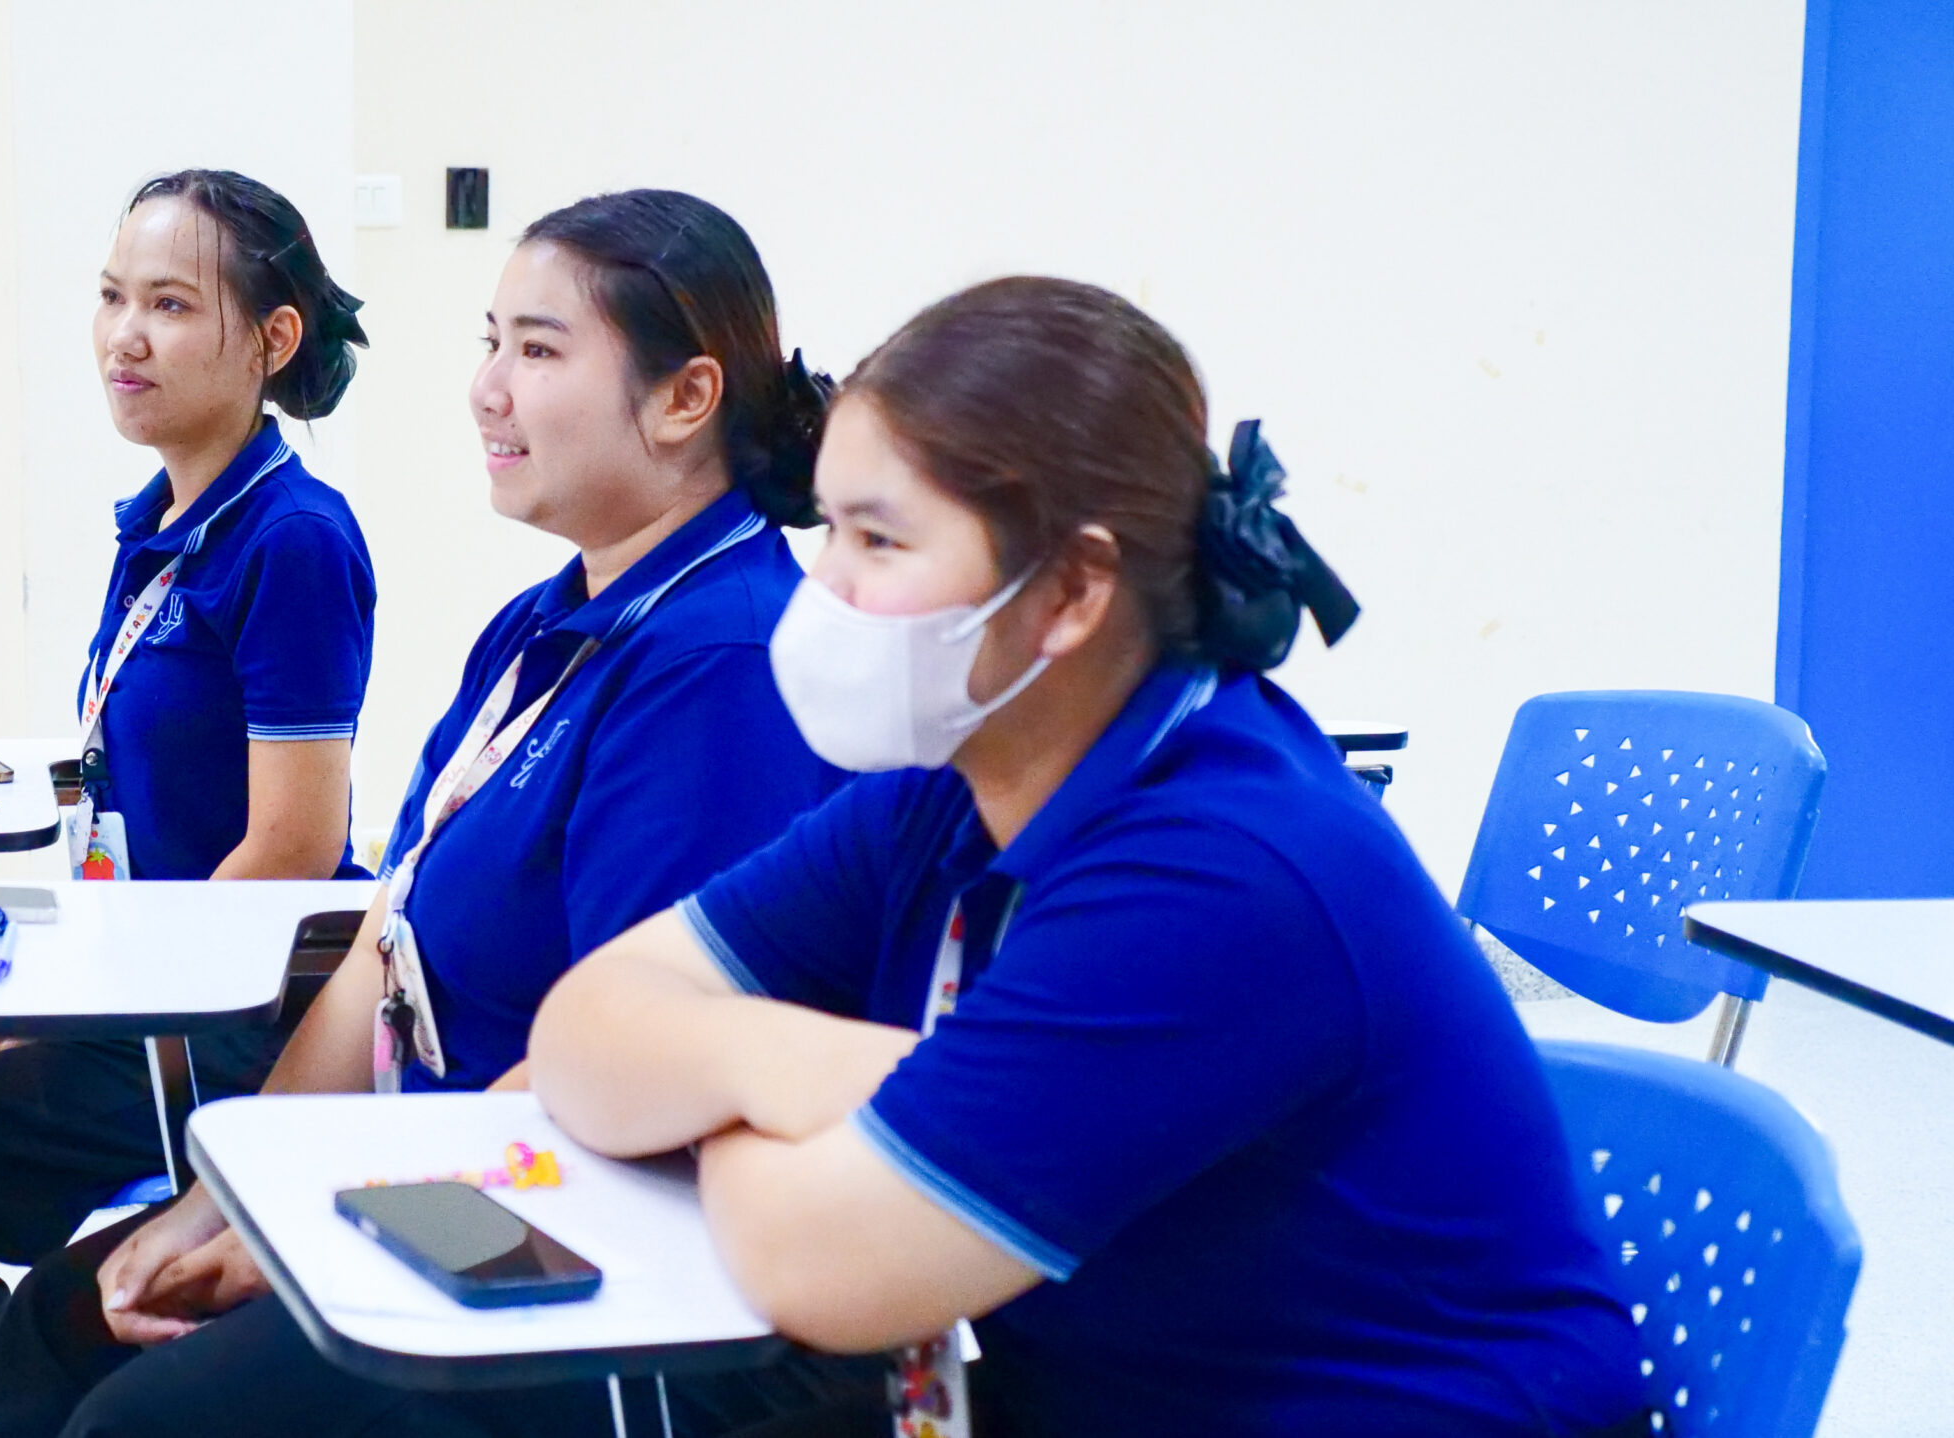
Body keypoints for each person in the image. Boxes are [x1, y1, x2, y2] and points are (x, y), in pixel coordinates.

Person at [530, 277, 1651, 1437]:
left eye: (879, 540)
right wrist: (804, 1071)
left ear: (1069, 589)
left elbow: (823, 1270)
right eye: (831, 531)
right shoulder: (951, 786)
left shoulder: (1220, 874)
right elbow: (583, 1029)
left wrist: (717, 1102)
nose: (828, 590)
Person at [0, 189, 877, 1438]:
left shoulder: (717, 664)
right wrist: (225, 1194)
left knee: (139, 1416)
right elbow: (382, 948)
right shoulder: (543, 624)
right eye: (490, 341)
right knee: (62, 1321)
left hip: (556, 1234)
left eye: (537, 350)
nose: (486, 389)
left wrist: (329, 1211)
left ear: (684, 398)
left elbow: (632, 1069)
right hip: (421, 1168)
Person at [0, 169, 378, 1438]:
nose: (124, 336)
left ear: (272, 340)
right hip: (136, 979)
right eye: (111, 297)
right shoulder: (158, 524)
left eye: (169, 304)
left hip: (232, 1006)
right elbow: (119, 800)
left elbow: (293, 846)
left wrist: (79, 1000)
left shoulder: (293, 539)